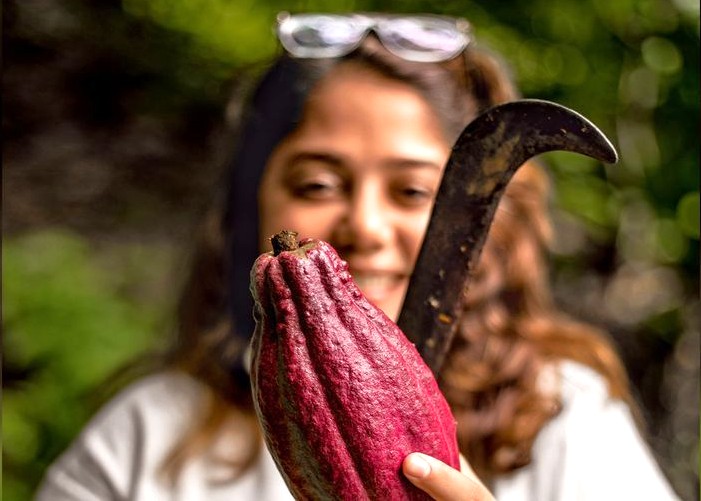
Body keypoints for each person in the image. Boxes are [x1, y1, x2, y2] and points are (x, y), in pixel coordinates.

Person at [37, 12, 679, 501]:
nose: (365, 226)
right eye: (317, 185)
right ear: (249, 209)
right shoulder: (147, 438)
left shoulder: (561, 412)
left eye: (410, 191)